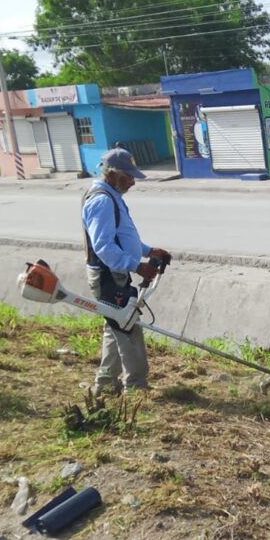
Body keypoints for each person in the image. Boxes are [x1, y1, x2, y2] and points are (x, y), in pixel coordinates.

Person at [82, 148, 171, 396]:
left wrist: (148, 251)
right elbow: (104, 247)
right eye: (128, 176)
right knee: (128, 328)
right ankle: (136, 386)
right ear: (111, 173)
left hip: (115, 273)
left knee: (116, 327)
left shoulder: (112, 196)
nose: (132, 181)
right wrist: (137, 266)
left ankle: (105, 384)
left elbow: (122, 237)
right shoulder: (102, 201)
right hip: (107, 276)